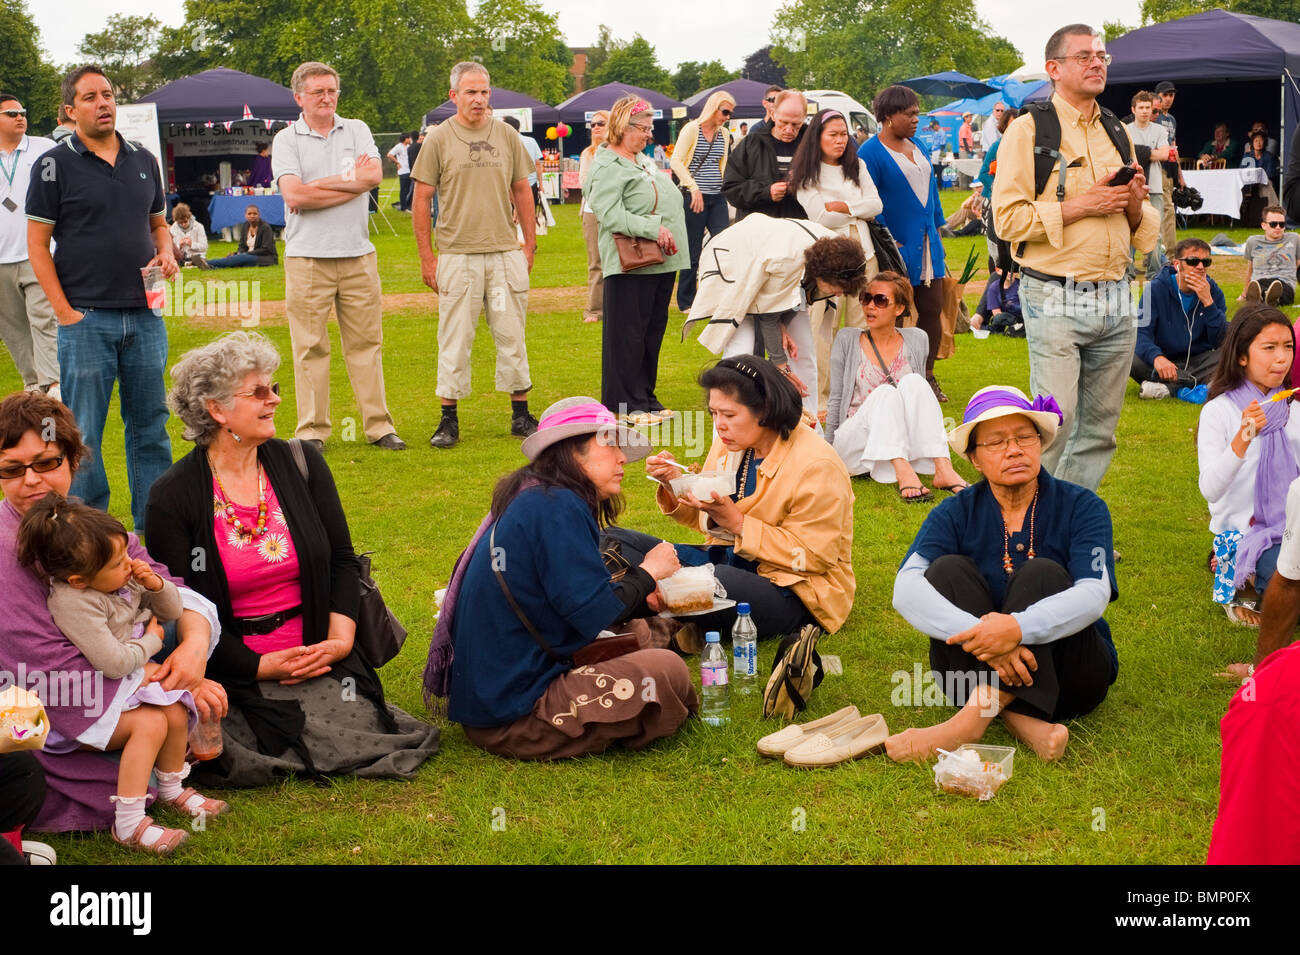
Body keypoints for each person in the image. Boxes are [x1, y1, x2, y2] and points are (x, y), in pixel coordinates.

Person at [145, 331, 440, 785]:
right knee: (243, 748)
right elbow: (180, 608)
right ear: (217, 410)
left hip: (319, 657)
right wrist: (258, 666)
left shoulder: (301, 462)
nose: (275, 400)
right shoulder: (173, 496)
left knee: (358, 730)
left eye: (275, 388)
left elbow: (342, 559)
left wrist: (339, 642)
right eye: (258, 392)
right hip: (235, 668)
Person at [0, 391, 227, 834]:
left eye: (46, 462)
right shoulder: (4, 549)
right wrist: (153, 676)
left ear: (70, 459)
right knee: (158, 721)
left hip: (121, 670)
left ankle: (163, 780)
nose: (31, 480)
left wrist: (193, 654)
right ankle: (133, 808)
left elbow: (162, 584)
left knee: (182, 708)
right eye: (11, 469)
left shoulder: (83, 524)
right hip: (37, 703)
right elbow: (36, 664)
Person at [431, 397, 697, 759]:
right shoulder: (556, 505)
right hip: (515, 714)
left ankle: (661, 639)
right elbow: (593, 613)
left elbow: (576, 602)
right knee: (667, 672)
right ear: (572, 451)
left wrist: (638, 592)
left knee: (638, 632)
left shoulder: (539, 496)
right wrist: (650, 572)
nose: (621, 458)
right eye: (610, 444)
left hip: (502, 692)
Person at [888, 385, 1118, 763]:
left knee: (1042, 574)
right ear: (975, 460)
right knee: (946, 570)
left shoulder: (1083, 507)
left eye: (1024, 437)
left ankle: (969, 722)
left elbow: (1094, 593)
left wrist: (1016, 629)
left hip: (1072, 678)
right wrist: (989, 639)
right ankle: (1024, 723)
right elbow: (906, 589)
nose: (1014, 449)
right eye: (996, 443)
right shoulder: (954, 512)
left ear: (1040, 442)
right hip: (969, 671)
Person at [992, 23, 1158, 493]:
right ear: (1054, 69)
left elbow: (1138, 226)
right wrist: (1081, 204)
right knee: (1053, 426)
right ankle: (1030, 528)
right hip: (1054, 294)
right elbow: (1007, 220)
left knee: (1099, 434)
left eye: (1102, 56)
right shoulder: (1028, 130)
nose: (1097, 63)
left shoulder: (1116, 129)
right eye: (1084, 56)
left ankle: (1071, 525)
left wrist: (1130, 199)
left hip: (1117, 295)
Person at [15, 494, 223, 854]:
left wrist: (156, 585)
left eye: (127, 554)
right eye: (118, 562)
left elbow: (172, 610)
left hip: (125, 681)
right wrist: (153, 644)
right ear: (79, 580)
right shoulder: (75, 602)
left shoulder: (117, 578)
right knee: (152, 724)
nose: (129, 564)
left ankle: (172, 789)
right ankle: (128, 822)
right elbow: (112, 663)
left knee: (174, 710)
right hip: (88, 698)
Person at [26, 65, 178, 534]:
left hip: (145, 317)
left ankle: (154, 532)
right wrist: (66, 314)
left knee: (151, 427)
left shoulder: (143, 159)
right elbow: (37, 245)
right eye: (90, 97)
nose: (103, 103)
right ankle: (91, 536)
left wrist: (167, 251)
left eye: (107, 94)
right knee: (84, 433)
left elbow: (157, 224)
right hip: (86, 319)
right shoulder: (53, 164)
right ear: (70, 111)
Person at [639, 357, 857, 642]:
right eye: (714, 413)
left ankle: (662, 619)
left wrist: (739, 523)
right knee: (623, 546)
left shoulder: (817, 465)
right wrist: (673, 484)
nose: (719, 426)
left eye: (729, 415)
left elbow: (815, 557)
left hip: (795, 588)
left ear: (764, 410)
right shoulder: (730, 442)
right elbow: (708, 517)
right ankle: (677, 618)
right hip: (730, 561)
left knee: (712, 581)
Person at [273, 61, 405, 453]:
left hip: (358, 255)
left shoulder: (358, 129)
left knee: (367, 344)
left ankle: (380, 426)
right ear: (299, 97)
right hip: (306, 258)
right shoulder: (286, 139)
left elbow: (374, 178)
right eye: (318, 92)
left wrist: (319, 186)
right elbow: (294, 196)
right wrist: (350, 185)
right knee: (311, 348)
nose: (327, 98)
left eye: (332, 91)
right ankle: (312, 432)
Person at [412, 62, 538, 449]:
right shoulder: (438, 139)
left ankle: (521, 415)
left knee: (511, 333)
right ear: (453, 96)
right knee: (455, 338)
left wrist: (528, 244)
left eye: (484, 92)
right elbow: (421, 199)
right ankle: (448, 420)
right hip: (458, 257)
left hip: (503, 254)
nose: (479, 99)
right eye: (470, 92)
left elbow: (522, 190)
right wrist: (427, 257)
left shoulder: (506, 135)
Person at [686, 223, 867, 423]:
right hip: (736, 264)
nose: (839, 293)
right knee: (740, 352)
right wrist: (782, 366)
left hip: (769, 268)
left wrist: (783, 324)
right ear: (823, 272)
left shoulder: (837, 253)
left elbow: (800, 295)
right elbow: (768, 317)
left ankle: (808, 426)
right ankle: (725, 437)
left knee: (804, 349)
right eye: (837, 286)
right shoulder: (786, 260)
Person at [585, 94, 687, 423]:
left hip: (660, 260)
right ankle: (626, 404)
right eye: (643, 128)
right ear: (623, 126)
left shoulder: (640, 159)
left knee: (651, 330)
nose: (648, 134)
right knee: (627, 333)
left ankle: (645, 396)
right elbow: (609, 214)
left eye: (649, 128)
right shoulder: (606, 165)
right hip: (631, 261)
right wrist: (652, 228)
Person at [1198, 305, 1300, 627]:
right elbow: (1210, 490)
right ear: (1242, 356)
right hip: (1248, 534)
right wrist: (1243, 438)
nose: (1282, 358)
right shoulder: (1220, 412)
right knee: (1292, 600)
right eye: (1269, 348)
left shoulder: (1293, 410)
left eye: (1288, 347)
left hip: (1293, 530)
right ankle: (1242, 573)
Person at [826, 273, 969, 500]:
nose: (870, 306)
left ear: (900, 309)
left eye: (880, 300)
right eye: (866, 298)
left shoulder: (917, 339)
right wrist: (827, 451)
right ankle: (902, 471)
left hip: (898, 438)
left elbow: (919, 402)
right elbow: (835, 398)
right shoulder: (847, 339)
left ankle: (943, 468)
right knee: (885, 392)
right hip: (855, 440)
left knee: (915, 382)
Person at [859, 84, 950, 402]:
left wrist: (938, 225)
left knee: (931, 308)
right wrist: (886, 236)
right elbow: (866, 200)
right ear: (887, 117)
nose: (916, 120)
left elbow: (932, 192)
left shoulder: (919, 144)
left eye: (917, 113)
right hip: (894, 247)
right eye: (909, 114)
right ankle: (888, 378)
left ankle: (926, 378)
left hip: (927, 242)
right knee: (891, 313)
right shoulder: (869, 153)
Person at [792, 108, 882, 411]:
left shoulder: (857, 164)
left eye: (844, 134)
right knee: (822, 328)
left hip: (865, 256)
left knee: (861, 327)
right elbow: (820, 215)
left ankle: (860, 394)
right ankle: (821, 398)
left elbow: (876, 205)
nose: (840, 140)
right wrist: (857, 208)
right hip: (827, 262)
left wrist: (844, 205)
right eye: (833, 134)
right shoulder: (805, 173)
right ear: (817, 137)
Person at [0, 94, 58, 400]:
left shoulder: (45, 149)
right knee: (13, 328)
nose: (20, 117)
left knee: (44, 318)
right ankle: (33, 385)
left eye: (22, 112)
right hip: (0, 259)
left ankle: (52, 385)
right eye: (11, 113)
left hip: (38, 252)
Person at [1131, 237, 1226, 401]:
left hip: (1199, 359)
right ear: (1177, 265)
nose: (1200, 267)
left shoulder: (1213, 292)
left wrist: (1208, 303)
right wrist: (1157, 358)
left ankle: (1169, 389)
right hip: (1163, 359)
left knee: (1231, 352)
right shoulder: (1156, 289)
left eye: (1206, 262)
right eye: (1193, 261)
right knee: (1131, 358)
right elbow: (1141, 333)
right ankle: (1197, 385)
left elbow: (1220, 340)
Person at [670, 90, 735, 312]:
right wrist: (693, 187)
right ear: (713, 108)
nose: (727, 117)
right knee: (692, 250)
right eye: (725, 111)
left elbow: (723, 165)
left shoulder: (724, 135)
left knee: (724, 245)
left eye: (730, 114)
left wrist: (727, 191)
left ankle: (718, 295)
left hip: (716, 196)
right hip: (694, 196)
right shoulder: (691, 129)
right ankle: (686, 301)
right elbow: (676, 161)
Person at [722, 89, 808, 221]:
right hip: (758, 231)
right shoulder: (751, 144)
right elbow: (731, 188)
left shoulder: (812, 145)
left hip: (798, 230)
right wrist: (766, 192)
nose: (789, 129)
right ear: (773, 115)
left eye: (796, 124)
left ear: (804, 118)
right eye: (783, 122)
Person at [1125, 91, 1170, 281]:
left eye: (1147, 108)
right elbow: (1123, 157)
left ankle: (1154, 272)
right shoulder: (1125, 130)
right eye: (1141, 108)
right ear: (1133, 109)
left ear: (1152, 109)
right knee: (1128, 230)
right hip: (1130, 186)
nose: (1144, 111)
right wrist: (1151, 152)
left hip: (1155, 187)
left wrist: (1138, 152)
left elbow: (1165, 155)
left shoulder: (1160, 130)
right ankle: (1127, 272)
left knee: (1156, 231)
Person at [578, 110, 609, 323]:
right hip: (592, 212)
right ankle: (594, 309)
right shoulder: (588, 154)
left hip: (616, 211)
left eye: (601, 123)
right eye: (593, 124)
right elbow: (585, 184)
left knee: (621, 261)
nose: (596, 127)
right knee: (596, 262)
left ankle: (617, 307)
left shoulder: (621, 151)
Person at [1240, 206, 1300, 307]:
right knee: (1259, 288)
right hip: (1260, 280)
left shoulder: (1294, 239)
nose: (1278, 227)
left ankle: (1265, 299)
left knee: (1281, 291)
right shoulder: (1253, 241)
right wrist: (1243, 294)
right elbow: (1250, 270)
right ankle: (1265, 298)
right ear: (1264, 225)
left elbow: (1299, 266)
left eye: (1281, 224)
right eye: (1273, 224)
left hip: (1284, 282)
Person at [1153, 83, 1183, 258]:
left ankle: (1164, 254)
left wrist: (1179, 173)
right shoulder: (1154, 117)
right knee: (1164, 211)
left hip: (1169, 169)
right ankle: (1169, 255)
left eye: (1172, 95)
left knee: (1166, 210)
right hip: (1156, 167)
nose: (1169, 99)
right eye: (1166, 95)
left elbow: (1174, 147)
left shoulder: (1171, 120)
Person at [203, 204, 278, 269]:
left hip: (265, 258)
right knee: (233, 258)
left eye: (255, 214)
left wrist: (245, 254)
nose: (252, 216)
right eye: (249, 214)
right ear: (245, 215)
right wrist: (239, 253)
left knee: (240, 259)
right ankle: (211, 267)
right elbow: (242, 245)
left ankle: (207, 262)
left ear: (259, 215)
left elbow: (265, 249)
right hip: (248, 255)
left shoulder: (265, 227)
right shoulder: (246, 226)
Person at [974, 107, 1016, 195]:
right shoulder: (997, 146)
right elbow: (983, 174)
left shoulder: (1023, 147)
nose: (1016, 128)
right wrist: (997, 189)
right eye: (1012, 125)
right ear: (1005, 126)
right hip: (996, 198)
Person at [168, 202, 209, 267]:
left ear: (189, 217)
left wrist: (191, 244)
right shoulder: (173, 229)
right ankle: (187, 263)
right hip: (181, 257)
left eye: (185, 221)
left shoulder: (199, 227)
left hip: (197, 255)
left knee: (197, 258)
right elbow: (171, 248)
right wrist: (179, 245)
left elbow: (204, 247)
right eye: (180, 223)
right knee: (175, 258)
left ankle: (195, 262)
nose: (183, 224)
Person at [386, 132, 411, 211]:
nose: (410, 139)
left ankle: (408, 206)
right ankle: (403, 207)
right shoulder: (399, 146)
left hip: (409, 170)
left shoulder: (409, 146)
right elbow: (389, 154)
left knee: (409, 190)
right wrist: (397, 163)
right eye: (408, 138)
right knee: (403, 190)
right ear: (405, 139)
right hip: (403, 171)